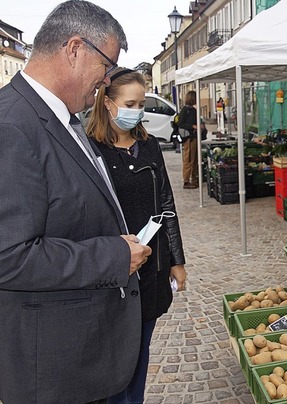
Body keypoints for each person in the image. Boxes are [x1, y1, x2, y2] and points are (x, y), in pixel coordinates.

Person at [0, 1, 152, 403]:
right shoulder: (12, 124)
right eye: (107, 65)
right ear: (74, 49)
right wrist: (112, 255)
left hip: (87, 359)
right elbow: (9, 255)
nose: (106, 80)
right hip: (57, 372)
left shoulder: (62, 118)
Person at [86, 68, 187, 404]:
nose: (137, 110)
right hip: (113, 273)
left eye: (141, 103)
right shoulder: (91, 149)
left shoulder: (148, 146)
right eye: (130, 103)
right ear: (108, 103)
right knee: (116, 360)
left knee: (141, 352)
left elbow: (167, 203)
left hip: (150, 270)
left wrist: (176, 259)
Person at [177, 90, 199, 189]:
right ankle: (186, 181)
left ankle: (194, 179)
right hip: (188, 138)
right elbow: (180, 123)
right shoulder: (185, 110)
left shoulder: (193, 110)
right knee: (189, 159)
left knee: (194, 160)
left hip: (194, 137)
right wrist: (192, 126)